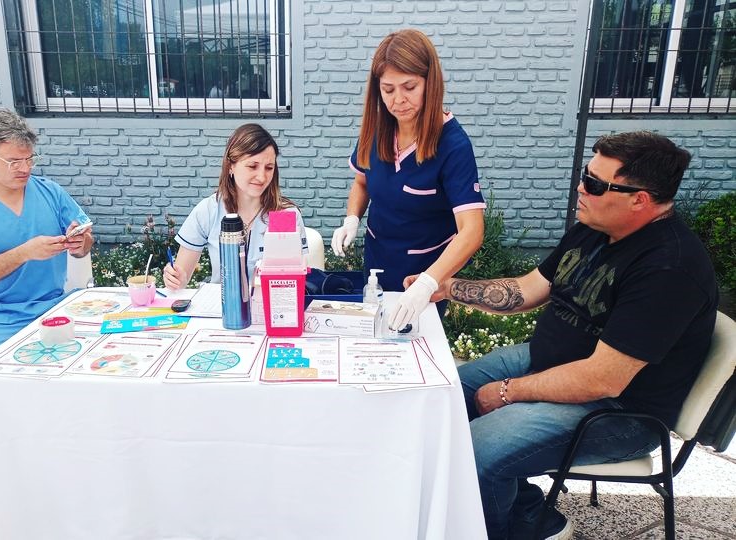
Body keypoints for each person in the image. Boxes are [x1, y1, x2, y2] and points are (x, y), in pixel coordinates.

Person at [410, 131, 718, 540]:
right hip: (550, 363)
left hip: (619, 412)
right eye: (584, 175)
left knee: (475, 451)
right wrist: (446, 287)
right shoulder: (596, 227)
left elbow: (602, 379)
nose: (580, 188)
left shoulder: (669, 269)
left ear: (639, 199)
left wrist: (507, 392)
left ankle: (506, 528)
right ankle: (523, 506)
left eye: (594, 183)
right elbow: (529, 289)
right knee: (440, 392)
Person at [330, 28, 485, 332]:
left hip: (422, 275)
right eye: (388, 90)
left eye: (409, 87)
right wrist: (351, 219)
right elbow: (362, 181)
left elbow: (472, 230)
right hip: (377, 261)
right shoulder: (376, 130)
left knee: (412, 344)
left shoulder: (453, 146)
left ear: (430, 83)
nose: (398, 100)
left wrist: (428, 283)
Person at [0, 109, 93, 367]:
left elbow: (86, 239)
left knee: (96, 366)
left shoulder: (50, 192)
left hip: (54, 307)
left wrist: (81, 244)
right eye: (13, 162)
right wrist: (24, 253)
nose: (25, 168)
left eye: (29, 159)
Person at [163, 123, 307, 290]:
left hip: (272, 303)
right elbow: (182, 276)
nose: (262, 177)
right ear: (231, 165)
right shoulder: (209, 210)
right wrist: (176, 279)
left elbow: (298, 281)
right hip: (222, 303)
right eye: (252, 166)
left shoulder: (286, 215)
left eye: (269, 168)